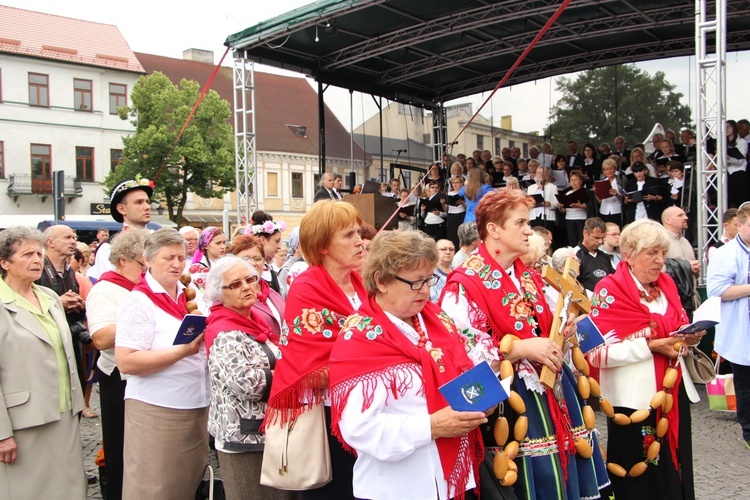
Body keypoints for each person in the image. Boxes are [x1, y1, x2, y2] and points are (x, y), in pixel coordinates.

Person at [440, 190, 611, 500]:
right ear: (493, 229)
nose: (529, 230)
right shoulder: (464, 284)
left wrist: (562, 330)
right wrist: (520, 349)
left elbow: (545, 328)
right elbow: (460, 348)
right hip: (509, 395)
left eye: (528, 223)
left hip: (552, 387)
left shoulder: (530, 277)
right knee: (530, 480)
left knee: (565, 470)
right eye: (520, 222)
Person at [329, 230, 485, 500]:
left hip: (453, 482)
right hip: (397, 487)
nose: (426, 290)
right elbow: (359, 429)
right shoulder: (361, 338)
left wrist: (482, 398)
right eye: (415, 282)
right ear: (381, 281)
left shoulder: (435, 319)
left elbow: (465, 369)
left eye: (429, 279)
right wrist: (431, 427)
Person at [588, 219, 700, 499]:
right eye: (652, 253)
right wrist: (650, 347)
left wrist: (686, 341)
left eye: (663, 253)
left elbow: (677, 330)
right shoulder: (609, 290)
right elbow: (596, 354)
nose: (660, 260)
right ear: (629, 254)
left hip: (673, 392)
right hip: (633, 399)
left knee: (674, 467)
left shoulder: (667, 286)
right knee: (637, 475)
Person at [267, 200, 368, 499]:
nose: (360, 241)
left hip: (364, 408)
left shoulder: (361, 282)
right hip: (326, 417)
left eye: (359, 233)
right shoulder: (306, 287)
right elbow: (311, 367)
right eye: (349, 235)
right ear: (322, 245)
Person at [115, 228, 210, 499]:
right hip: (157, 409)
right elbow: (127, 361)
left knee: (185, 485)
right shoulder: (139, 302)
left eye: (181, 257)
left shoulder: (189, 294)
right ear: (147, 260)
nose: (177, 264)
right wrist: (180, 352)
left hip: (195, 404)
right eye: (168, 258)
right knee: (153, 487)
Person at [0, 226, 87, 499]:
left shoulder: (49, 296)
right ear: (4, 262)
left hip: (64, 413)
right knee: (28, 490)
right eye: (27, 254)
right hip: (24, 420)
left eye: (39, 253)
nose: (37, 260)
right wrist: (2, 433)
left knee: (69, 487)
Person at [202, 256, 297, 500]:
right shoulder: (224, 330)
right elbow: (248, 384)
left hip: (268, 433)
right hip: (244, 439)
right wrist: (293, 374)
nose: (246, 287)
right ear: (218, 293)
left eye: (250, 279)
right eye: (234, 284)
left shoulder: (253, 319)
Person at [86, 229, 148, 500]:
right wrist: (145, 319)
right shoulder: (105, 289)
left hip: (145, 375)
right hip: (117, 378)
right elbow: (99, 338)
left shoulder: (146, 287)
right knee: (120, 447)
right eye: (143, 262)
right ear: (123, 260)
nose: (147, 268)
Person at [707, 203, 750, 449]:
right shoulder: (726, 253)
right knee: (745, 383)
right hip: (741, 326)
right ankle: (749, 432)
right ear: (739, 225)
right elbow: (716, 289)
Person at [36, 226, 90, 416]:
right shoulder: (38, 269)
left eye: (74, 237)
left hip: (70, 341)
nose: (73, 241)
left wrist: (78, 304)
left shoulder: (70, 273)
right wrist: (58, 303)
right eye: (67, 237)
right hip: (44, 344)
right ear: (50, 242)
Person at [88, 178, 152, 280]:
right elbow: (110, 286)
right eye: (139, 202)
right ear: (121, 209)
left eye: (147, 201)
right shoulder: (108, 248)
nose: (147, 206)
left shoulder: (159, 239)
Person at [227, 235, 286, 339]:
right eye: (246, 259)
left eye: (257, 259)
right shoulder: (232, 296)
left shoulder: (271, 292)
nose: (253, 263)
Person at [575, 217, 615, 293]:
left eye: (602, 238)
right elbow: (571, 284)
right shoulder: (574, 255)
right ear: (585, 233)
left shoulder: (605, 256)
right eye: (596, 238)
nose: (600, 242)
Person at [247, 219, 286, 294]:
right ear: (263, 240)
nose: (279, 246)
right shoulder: (250, 269)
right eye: (277, 241)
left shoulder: (269, 268)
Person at [189, 226, 227, 293]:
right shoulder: (197, 269)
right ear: (206, 245)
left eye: (224, 243)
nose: (223, 247)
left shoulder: (227, 264)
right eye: (218, 243)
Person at [558, 169, 589, 247]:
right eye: (571, 180)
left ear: (581, 181)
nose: (573, 182)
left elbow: (589, 206)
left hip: (581, 219)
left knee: (582, 240)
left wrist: (579, 206)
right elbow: (563, 211)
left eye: (576, 180)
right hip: (569, 219)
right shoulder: (568, 193)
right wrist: (560, 207)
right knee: (572, 241)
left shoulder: (584, 192)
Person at [527, 165, 558, 232]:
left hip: (547, 217)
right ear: (536, 174)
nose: (541, 174)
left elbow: (556, 203)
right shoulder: (530, 188)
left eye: (543, 172)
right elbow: (527, 202)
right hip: (534, 217)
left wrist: (549, 203)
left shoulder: (552, 187)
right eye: (539, 172)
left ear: (547, 174)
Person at [726, 120, 749, 208]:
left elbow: (740, 161)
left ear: (734, 128)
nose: (726, 129)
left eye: (729, 127)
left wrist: (729, 159)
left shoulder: (742, 142)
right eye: (725, 127)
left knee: (741, 201)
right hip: (727, 174)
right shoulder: (723, 143)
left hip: (738, 174)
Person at [596, 158, 624, 226]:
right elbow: (600, 201)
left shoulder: (620, 180)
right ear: (604, 171)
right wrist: (597, 193)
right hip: (604, 211)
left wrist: (616, 194)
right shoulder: (602, 182)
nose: (609, 171)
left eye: (611, 169)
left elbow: (625, 200)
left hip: (616, 211)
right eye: (607, 169)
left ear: (615, 169)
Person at [445, 176, 467, 249]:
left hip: (461, 215)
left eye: (457, 182)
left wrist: (462, 203)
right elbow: (446, 210)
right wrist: (443, 203)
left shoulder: (465, 193)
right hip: (451, 216)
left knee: (460, 236)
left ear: (462, 183)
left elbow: (467, 208)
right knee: (452, 236)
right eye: (453, 183)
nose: (455, 184)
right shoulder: (449, 193)